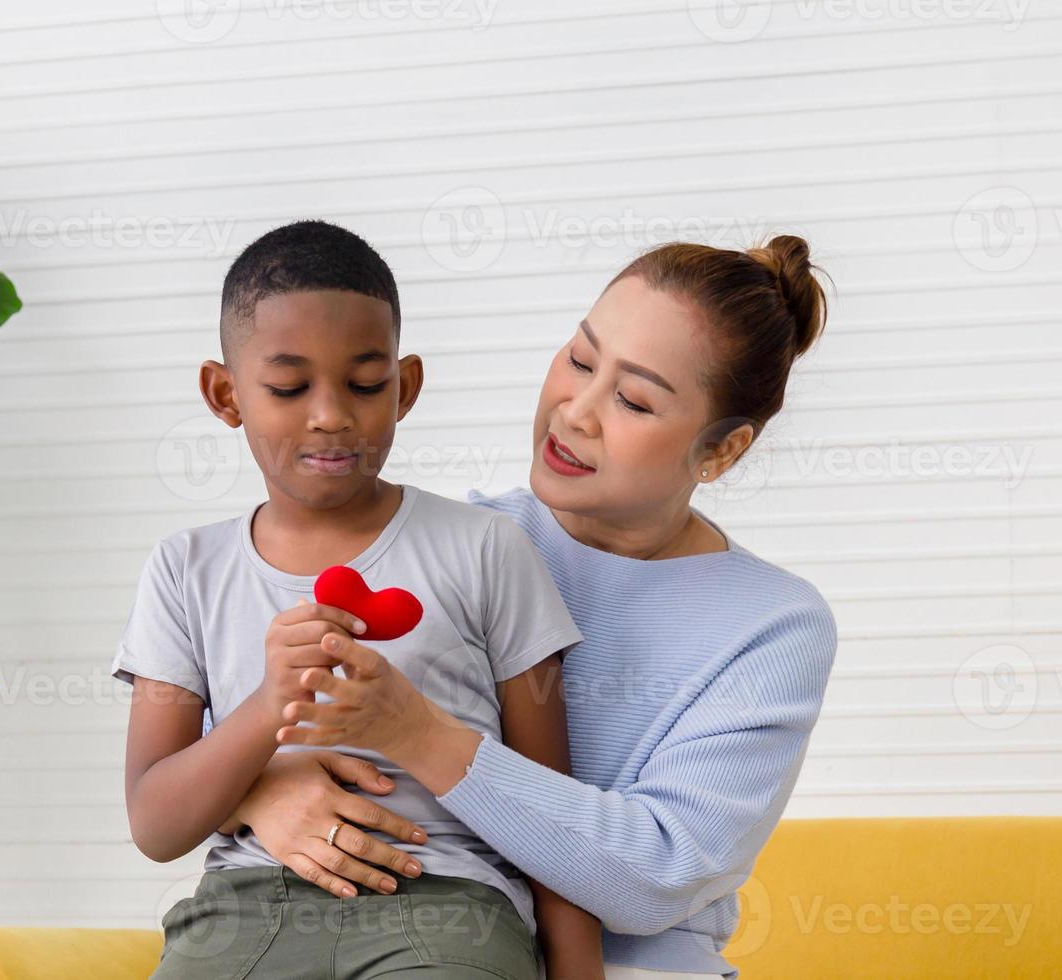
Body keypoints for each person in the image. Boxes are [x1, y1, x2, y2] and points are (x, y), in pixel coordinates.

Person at [229, 235, 840, 979]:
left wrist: (419, 734)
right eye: (581, 359)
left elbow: (659, 872)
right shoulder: (458, 545)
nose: (576, 411)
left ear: (721, 452)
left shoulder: (772, 626)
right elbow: (234, 721)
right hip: (420, 947)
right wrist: (258, 794)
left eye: (634, 399)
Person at [112, 220, 605, 979]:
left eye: (366, 384)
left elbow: (553, 813)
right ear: (224, 394)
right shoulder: (186, 569)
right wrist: (270, 704)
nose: (332, 414)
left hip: (448, 907)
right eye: (287, 387)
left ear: (405, 387)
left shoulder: (485, 549)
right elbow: (155, 820)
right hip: (245, 907)